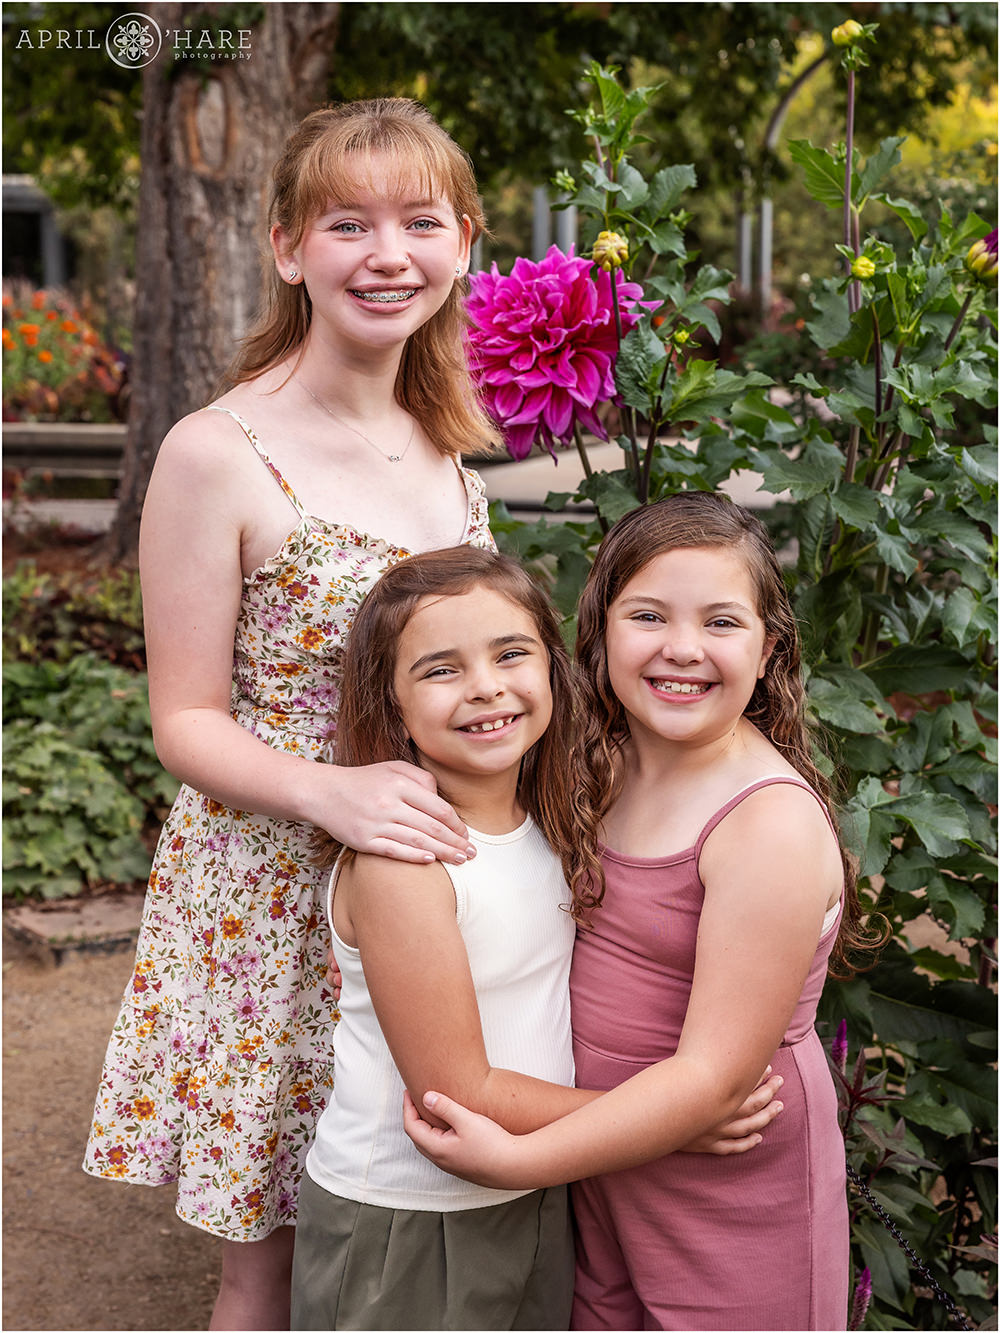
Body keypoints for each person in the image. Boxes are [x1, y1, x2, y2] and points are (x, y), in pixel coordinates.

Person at [83, 98, 499, 1331]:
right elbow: (186, 721)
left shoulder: (448, 444)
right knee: (269, 1261)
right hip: (272, 899)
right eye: (347, 223)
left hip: (425, 885)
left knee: (410, 1221)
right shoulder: (219, 451)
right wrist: (333, 791)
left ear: (463, 242)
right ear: (285, 248)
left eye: (421, 221)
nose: (388, 253)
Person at [406, 492, 883, 1332]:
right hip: (606, 1157)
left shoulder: (765, 822)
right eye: (649, 615)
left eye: (722, 622)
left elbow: (711, 1078)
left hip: (726, 1182)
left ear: (769, 647)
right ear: (599, 630)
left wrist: (518, 1159)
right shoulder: (602, 762)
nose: (683, 649)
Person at [292, 545, 782, 1331]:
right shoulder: (406, 862)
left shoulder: (555, 822)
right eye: (440, 669)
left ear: (553, 669)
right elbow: (460, 1090)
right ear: (391, 702)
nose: (486, 686)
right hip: (408, 1212)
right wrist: (667, 1121)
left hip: (532, 1192)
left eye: (510, 653)